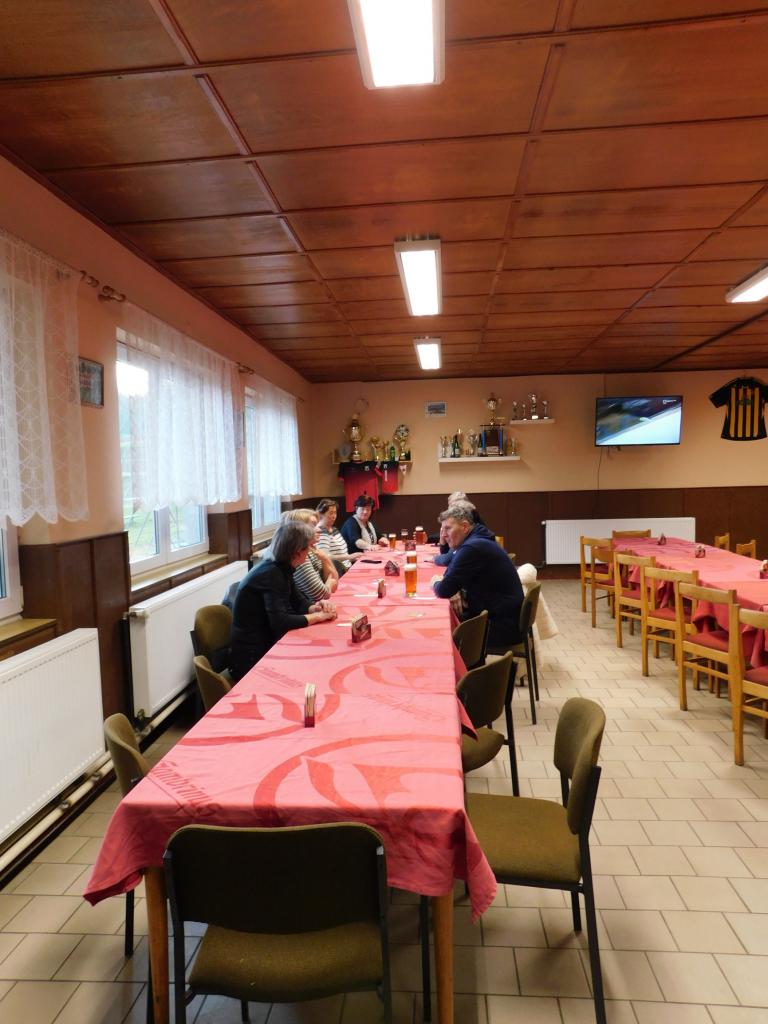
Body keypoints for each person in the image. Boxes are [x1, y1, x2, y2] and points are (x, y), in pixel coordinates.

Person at [229, 520, 336, 681]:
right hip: (252, 657)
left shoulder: (282, 566)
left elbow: (298, 601)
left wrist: (315, 608)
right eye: (309, 547)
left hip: (265, 642)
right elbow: (281, 623)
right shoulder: (271, 573)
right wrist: (318, 617)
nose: (310, 552)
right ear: (297, 552)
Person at [431, 504, 524, 648]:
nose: (443, 535)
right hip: (503, 617)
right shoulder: (477, 539)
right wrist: (453, 586)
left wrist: (435, 582)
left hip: (500, 626)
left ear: (464, 527)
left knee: (440, 636)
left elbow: (443, 590)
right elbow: (451, 574)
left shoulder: (472, 548)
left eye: (448, 528)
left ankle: (468, 663)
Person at [281, 508, 339, 602]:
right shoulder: (299, 556)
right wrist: (329, 583)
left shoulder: (312, 549)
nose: (319, 529)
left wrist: (325, 558)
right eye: (313, 525)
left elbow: (334, 584)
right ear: (300, 529)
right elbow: (321, 595)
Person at [434, 502, 496, 566]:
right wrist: (442, 542)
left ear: (465, 526)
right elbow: (448, 555)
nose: (444, 534)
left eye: (448, 528)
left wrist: (435, 558)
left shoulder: (473, 544)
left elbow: (447, 560)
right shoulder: (477, 533)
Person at [315, 498, 361, 573]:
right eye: (331, 513)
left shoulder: (334, 529)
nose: (334, 516)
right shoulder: (321, 532)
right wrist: (350, 557)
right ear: (321, 514)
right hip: (338, 572)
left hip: (347, 568)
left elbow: (342, 553)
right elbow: (325, 557)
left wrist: (354, 558)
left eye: (335, 513)